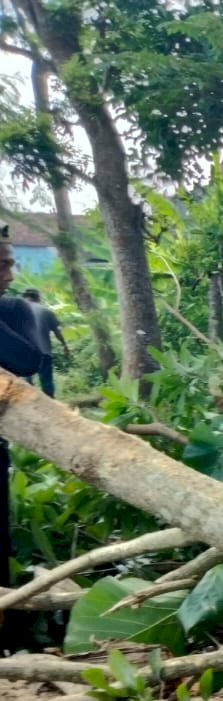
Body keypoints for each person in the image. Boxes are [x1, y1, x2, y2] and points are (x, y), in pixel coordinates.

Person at [0, 227, 43, 593]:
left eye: (10, 265)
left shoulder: (12, 308)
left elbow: (28, 359)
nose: (10, 276)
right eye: (1, 266)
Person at [20, 288, 67, 398]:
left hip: (24, 351)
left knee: (26, 382)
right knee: (47, 383)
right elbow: (57, 332)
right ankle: (51, 405)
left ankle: (29, 406)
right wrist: (65, 346)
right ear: (38, 298)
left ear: (25, 297)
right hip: (44, 351)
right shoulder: (46, 311)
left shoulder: (17, 308)